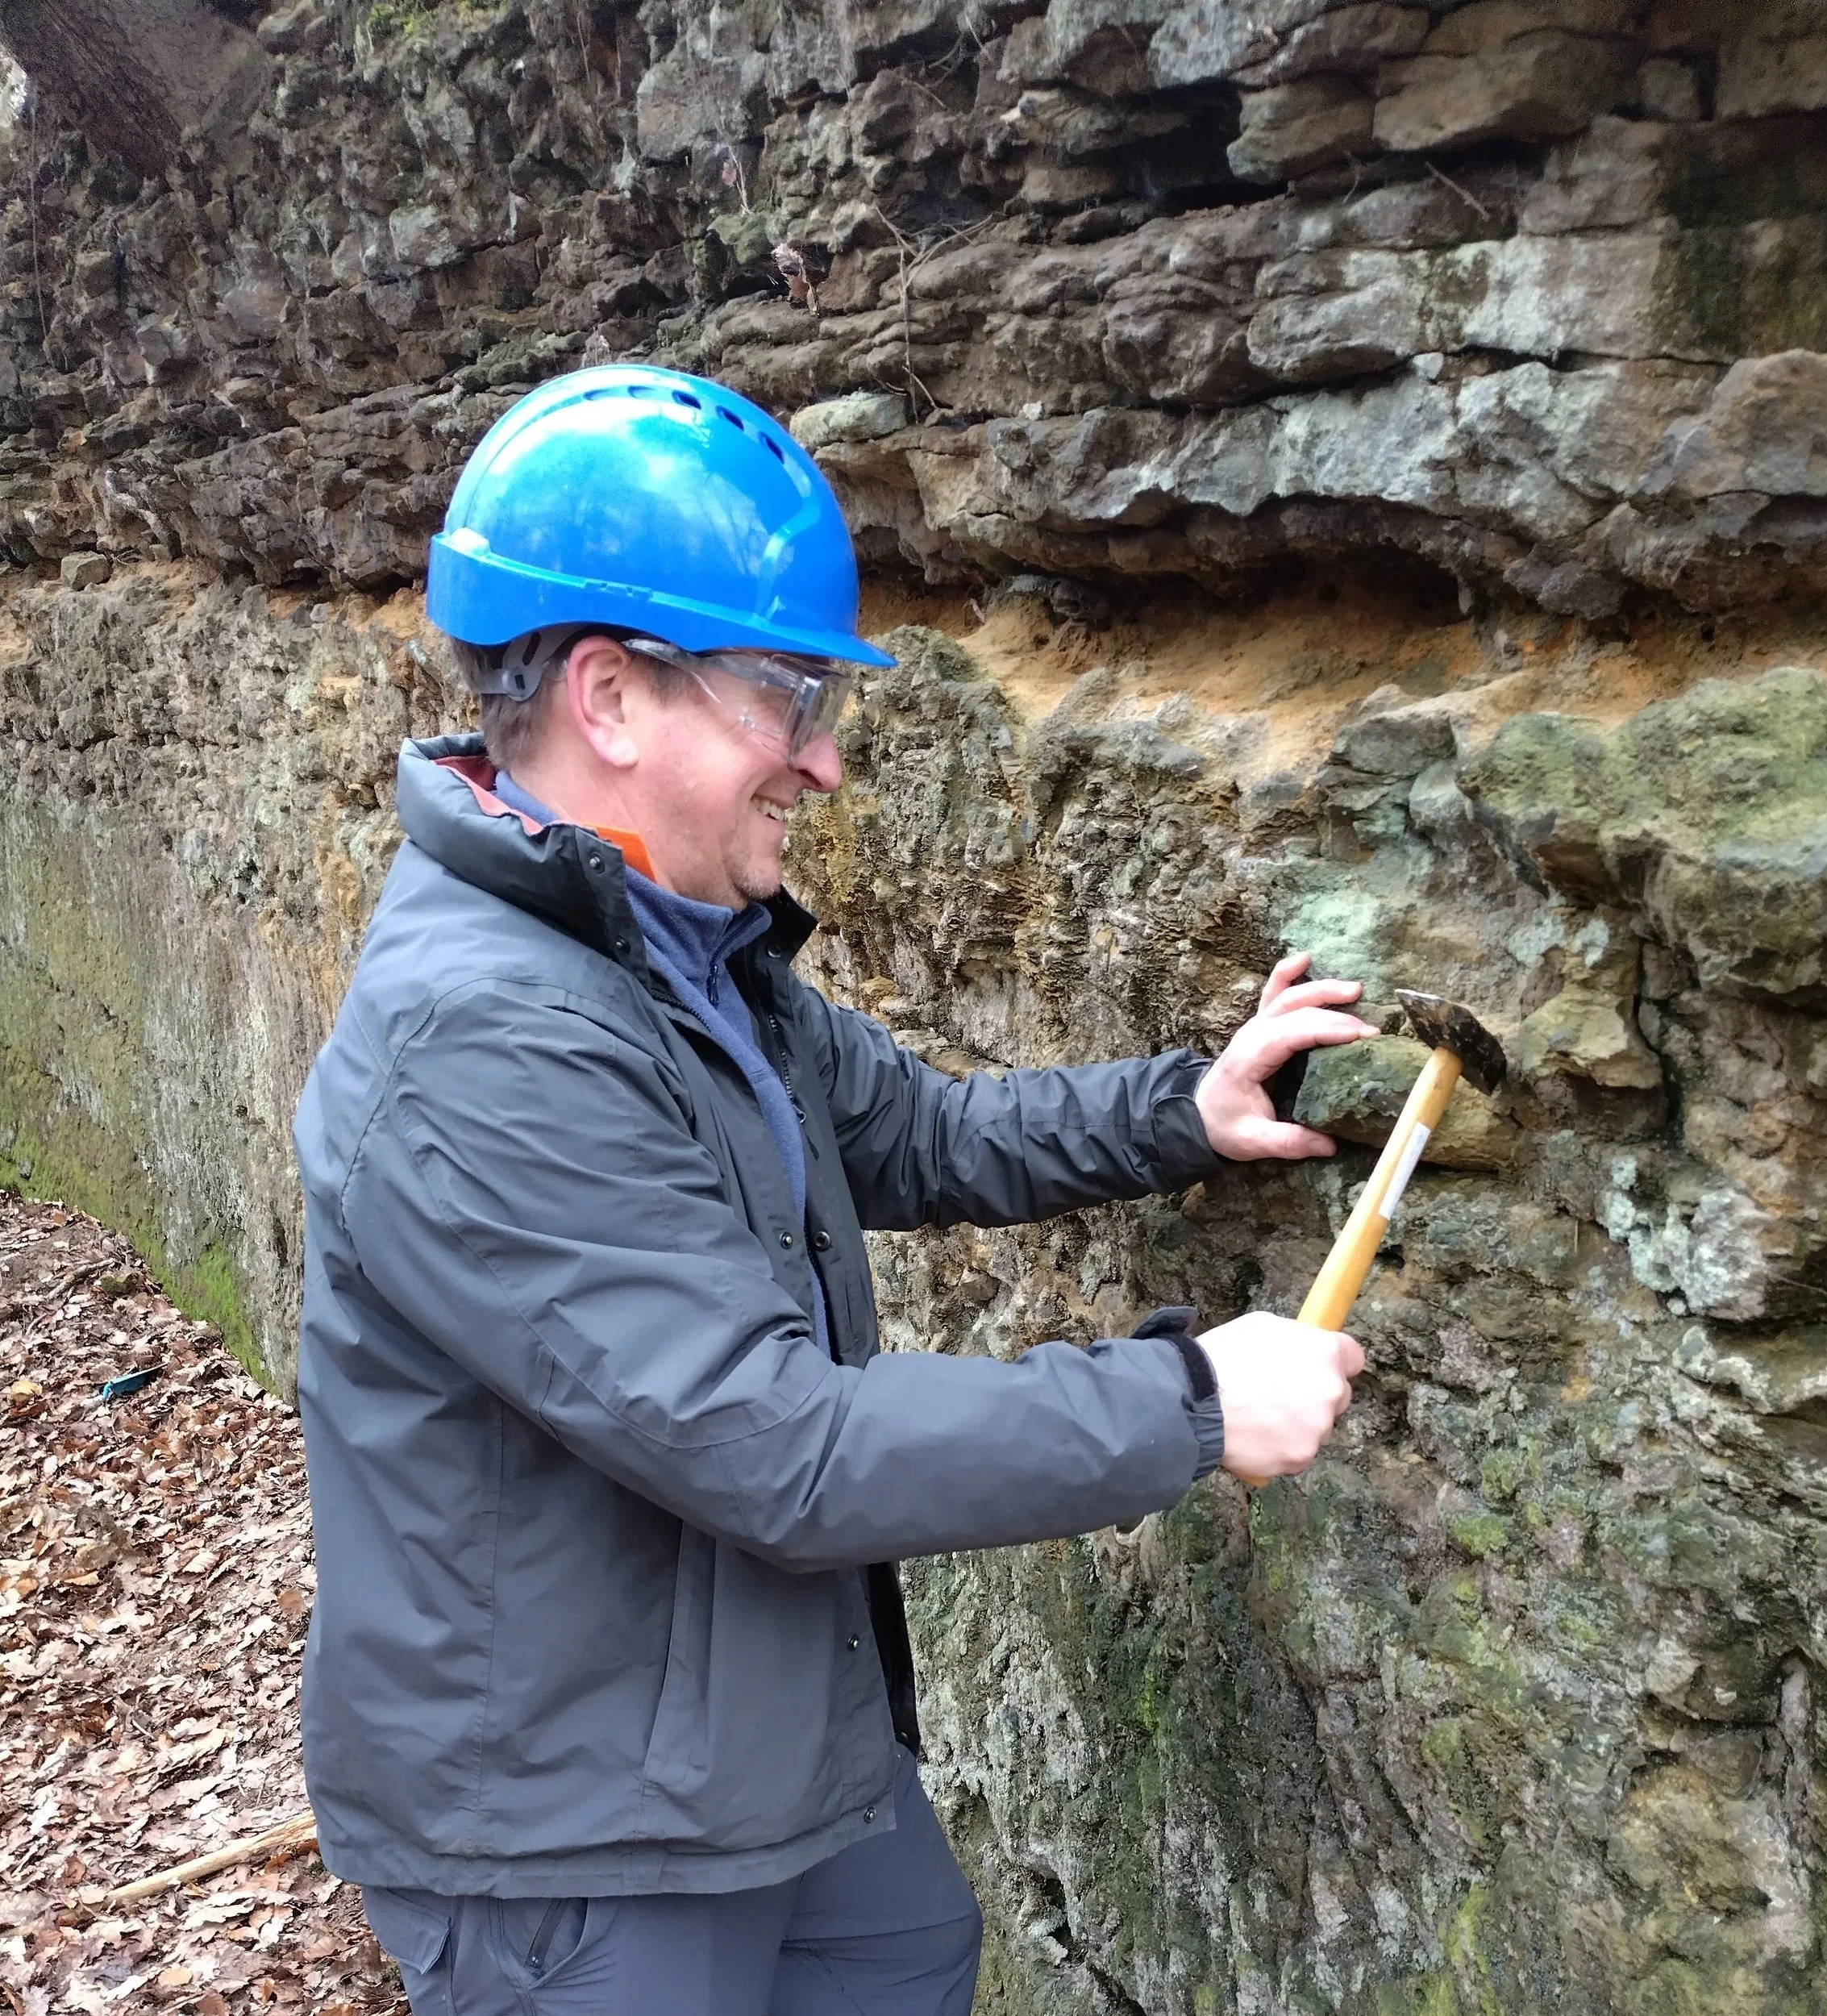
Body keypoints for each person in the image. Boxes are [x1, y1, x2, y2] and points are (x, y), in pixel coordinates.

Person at [293, 364, 1375, 2016]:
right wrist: (1183, 1399)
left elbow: (911, 1135)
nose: (826, 760)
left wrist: (1184, 1104)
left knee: (909, 1946)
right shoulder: (484, 1033)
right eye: (789, 699)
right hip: (568, 1832)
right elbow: (774, 1438)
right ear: (609, 695)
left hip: (754, 1734)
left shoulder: (667, 942)